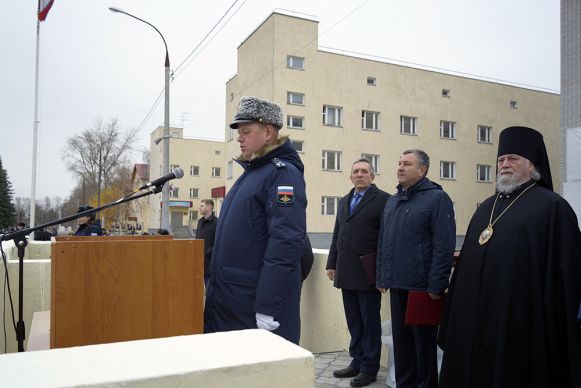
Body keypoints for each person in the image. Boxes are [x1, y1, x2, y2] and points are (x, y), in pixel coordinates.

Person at [438, 126, 581, 388]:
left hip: (520, 326)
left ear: (532, 165)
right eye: (501, 160)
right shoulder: (485, 209)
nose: (504, 164)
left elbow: (566, 278)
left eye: (513, 158)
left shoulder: (552, 208)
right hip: (473, 324)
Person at [204, 96, 307, 344]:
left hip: (250, 305)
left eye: (246, 131)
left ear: (268, 132)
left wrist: (268, 305)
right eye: (239, 132)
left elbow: (286, 240)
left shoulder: (283, 176)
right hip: (230, 300)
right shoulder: (252, 173)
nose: (239, 138)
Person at [376, 149, 456, 388]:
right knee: (402, 348)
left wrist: (436, 285)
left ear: (422, 170)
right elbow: (384, 241)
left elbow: (444, 245)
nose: (400, 167)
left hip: (422, 289)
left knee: (423, 350)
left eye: (407, 164)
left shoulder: (437, 199)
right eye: (399, 163)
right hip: (397, 284)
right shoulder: (393, 200)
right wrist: (381, 276)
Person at [326, 158, 390, 388]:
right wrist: (331, 263)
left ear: (372, 176)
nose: (360, 174)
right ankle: (357, 361)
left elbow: (386, 239)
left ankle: (369, 368)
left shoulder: (383, 200)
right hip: (346, 271)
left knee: (369, 322)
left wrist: (383, 272)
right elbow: (337, 234)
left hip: (368, 272)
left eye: (365, 171)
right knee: (354, 321)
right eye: (356, 171)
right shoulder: (344, 200)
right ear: (350, 176)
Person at [196, 199, 218, 287]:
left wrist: (208, 252)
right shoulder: (200, 221)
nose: (199, 208)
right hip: (199, 259)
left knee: (209, 289)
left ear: (209, 207)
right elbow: (197, 238)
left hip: (210, 262)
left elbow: (217, 242)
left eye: (202, 206)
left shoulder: (216, 222)